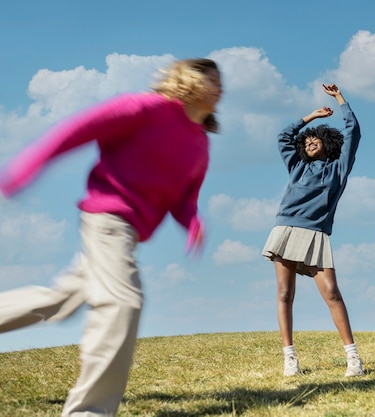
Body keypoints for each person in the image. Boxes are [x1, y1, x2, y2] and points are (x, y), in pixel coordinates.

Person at [0, 58, 222, 416]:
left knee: (59, 300)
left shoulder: (199, 144)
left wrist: (192, 221)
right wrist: (30, 164)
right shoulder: (146, 109)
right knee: (122, 303)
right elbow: (78, 129)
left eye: (219, 80)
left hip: (128, 232)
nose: (218, 85)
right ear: (186, 80)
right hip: (107, 220)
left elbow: (184, 198)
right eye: (209, 77)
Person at [262, 83, 364, 377]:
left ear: (327, 143)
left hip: (315, 233)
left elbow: (353, 132)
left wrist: (340, 99)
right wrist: (311, 117)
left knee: (331, 292)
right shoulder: (297, 166)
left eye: (315, 140)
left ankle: (353, 358)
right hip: (285, 229)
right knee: (284, 294)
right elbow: (283, 136)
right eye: (306, 141)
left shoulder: (338, 169)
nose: (309, 142)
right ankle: (289, 359)